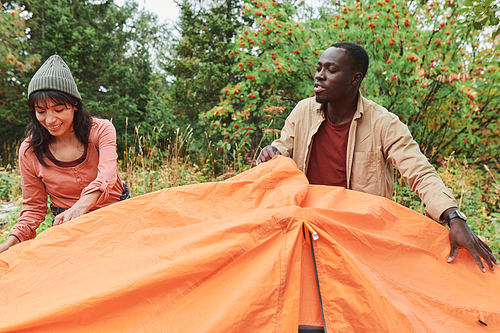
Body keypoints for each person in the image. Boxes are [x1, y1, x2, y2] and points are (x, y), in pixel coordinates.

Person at [258, 42, 499, 332]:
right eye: (319, 68)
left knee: (358, 316)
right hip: (305, 231)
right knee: (301, 318)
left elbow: (419, 172)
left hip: (357, 237)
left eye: (331, 70)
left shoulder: (384, 123)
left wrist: (453, 217)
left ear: (355, 78)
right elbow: (283, 148)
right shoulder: (302, 112)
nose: (319, 76)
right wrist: (271, 153)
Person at [0, 55, 129, 254]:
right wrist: (12, 240)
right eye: (41, 111)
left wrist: (80, 207)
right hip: (68, 224)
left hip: (116, 213)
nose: (50, 119)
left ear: (75, 105)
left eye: (58, 109)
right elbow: (34, 208)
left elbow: (107, 176)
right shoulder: (29, 150)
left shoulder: (101, 130)